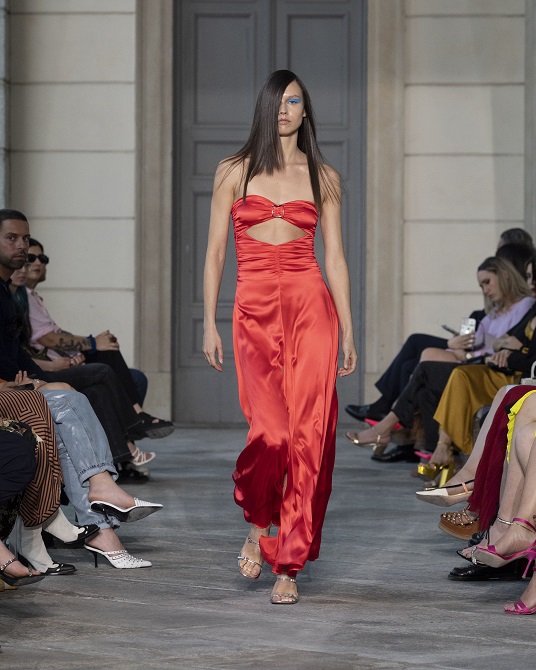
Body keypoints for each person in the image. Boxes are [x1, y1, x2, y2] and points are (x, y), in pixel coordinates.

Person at [203, 70, 357, 605]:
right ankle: (258, 522)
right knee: (271, 434)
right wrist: (208, 322)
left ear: (305, 110)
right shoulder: (234, 170)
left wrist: (348, 329)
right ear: (265, 109)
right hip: (253, 311)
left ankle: (288, 564)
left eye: (294, 101)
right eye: (278, 101)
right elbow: (215, 252)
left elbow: (335, 259)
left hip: (311, 307)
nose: (285, 109)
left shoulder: (323, 176)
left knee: (309, 437)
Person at [346, 257, 534, 458]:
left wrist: (468, 349)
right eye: (481, 286)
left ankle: (387, 425)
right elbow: (488, 342)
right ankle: (429, 450)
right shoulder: (493, 312)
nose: (485, 290)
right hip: (477, 362)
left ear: (504, 275)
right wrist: (461, 344)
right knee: (420, 377)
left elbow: (503, 344)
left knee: (424, 362)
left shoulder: (526, 305)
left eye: (487, 282)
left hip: (490, 368)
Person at [23, 239, 174, 439]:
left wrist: (85, 348)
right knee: (105, 359)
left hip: (65, 360)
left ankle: (132, 430)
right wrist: (93, 343)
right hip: (48, 369)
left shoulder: (34, 297)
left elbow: (55, 335)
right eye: (31, 257)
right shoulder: (23, 298)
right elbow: (48, 339)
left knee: (135, 376)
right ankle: (135, 421)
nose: (38, 263)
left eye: (42, 258)